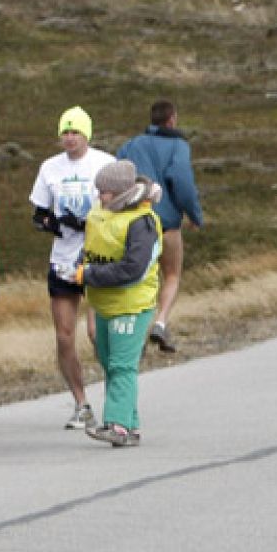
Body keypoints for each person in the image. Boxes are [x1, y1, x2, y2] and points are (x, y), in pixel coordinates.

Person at [29, 106, 116, 430]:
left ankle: (116, 395)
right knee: (65, 336)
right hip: (63, 259)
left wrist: (89, 222)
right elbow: (39, 213)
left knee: (97, 333)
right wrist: (52, 223)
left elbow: (120, 204)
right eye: (65, 132)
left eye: (75, 132)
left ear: (87, 134)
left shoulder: (103, 163)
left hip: (97, 256)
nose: (69, 138)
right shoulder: (50, 168)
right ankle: (81, 403)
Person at [75, 160, 163, 446]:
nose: (100, 196)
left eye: (106, 192)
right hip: (104, 302)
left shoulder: (142, 221)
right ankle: (130, 424)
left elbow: (132, 268)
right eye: (99, 191)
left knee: (122, 365)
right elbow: (92, 247)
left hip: (131, 303)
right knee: (110, 363)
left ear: (122, 192)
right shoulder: (102, 213)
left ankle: (118, 425)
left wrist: (88, 274)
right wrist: (78, 267)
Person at [117, 99, 204, 353]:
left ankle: (137, 334)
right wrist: (194, 215)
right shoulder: (178, 146)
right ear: (172, 119)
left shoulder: (131, 145)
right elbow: (182, 181)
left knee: (138, 279)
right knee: (172, 275)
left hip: (134, 223)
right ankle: (161, 322)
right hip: (167, 225)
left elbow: (117, 175)